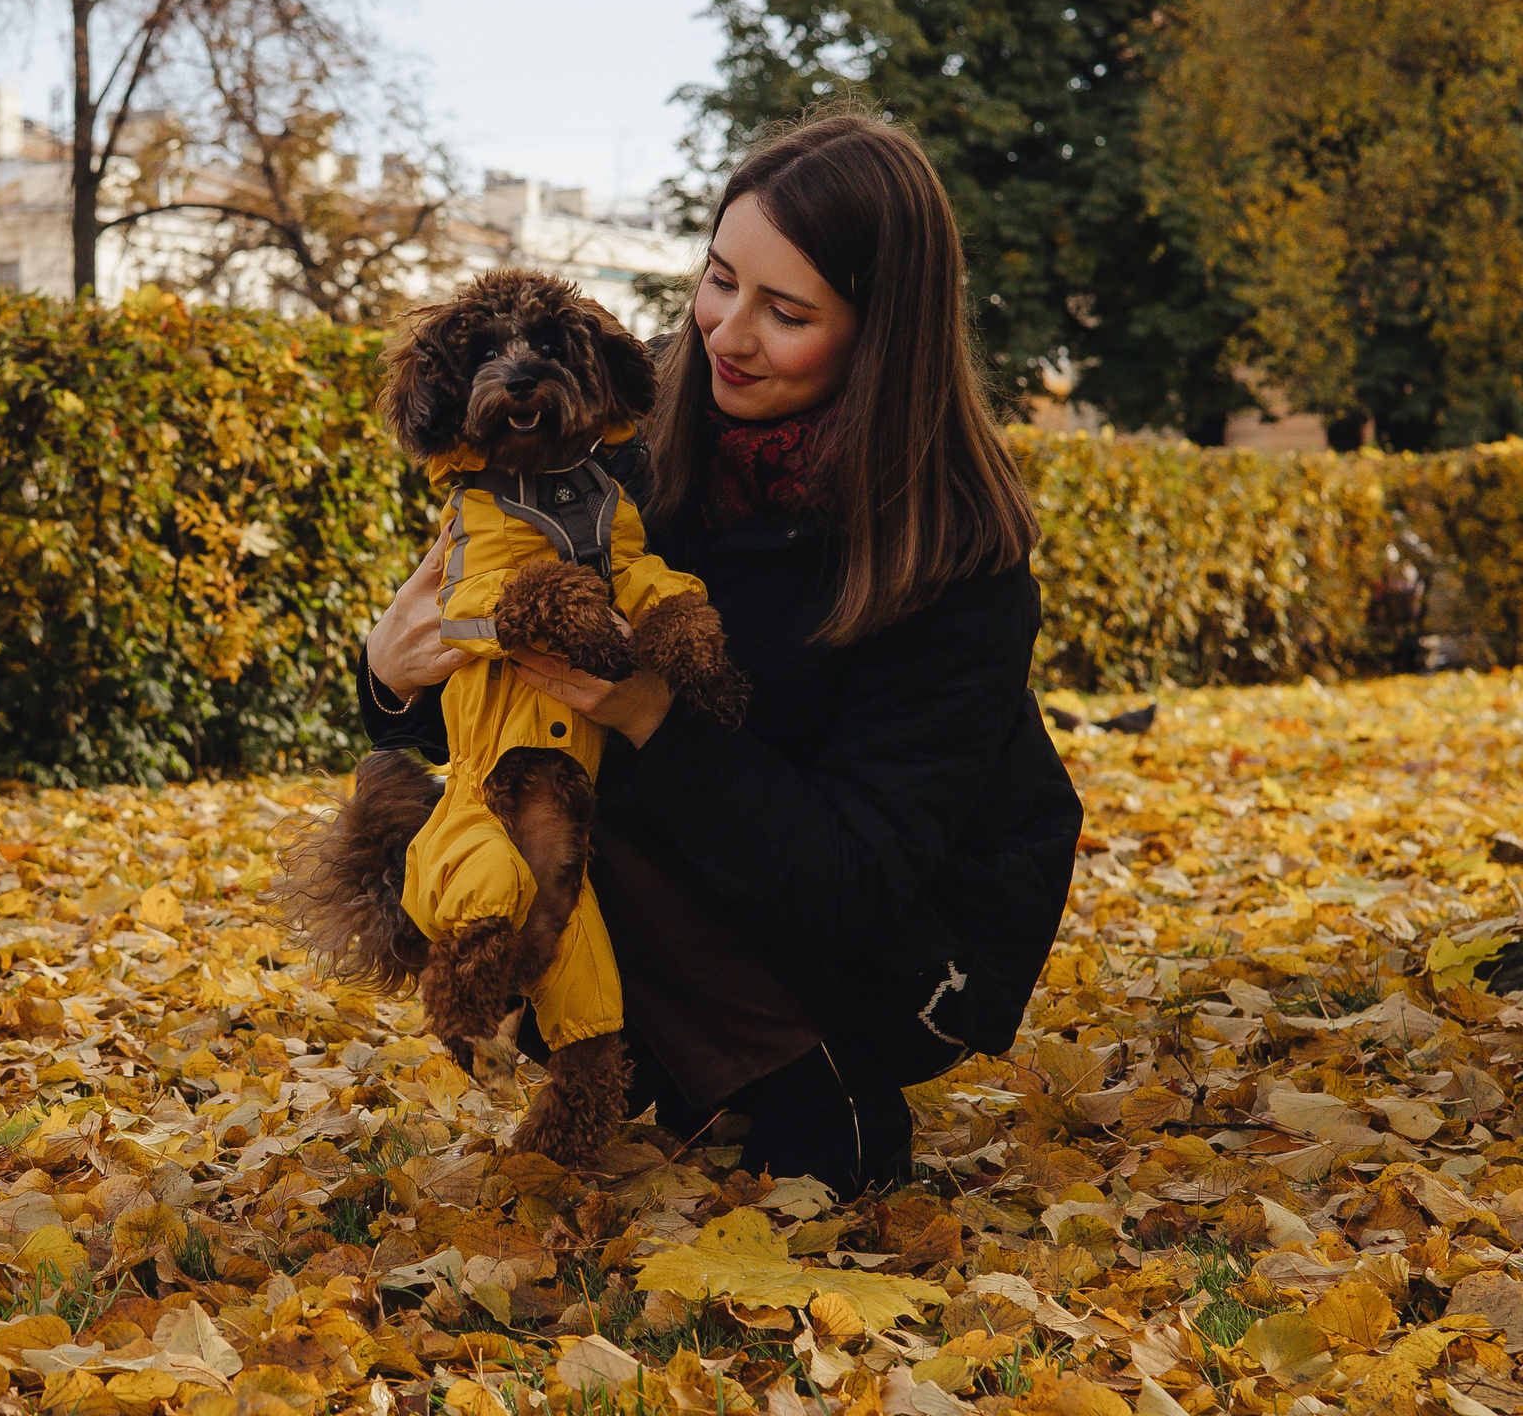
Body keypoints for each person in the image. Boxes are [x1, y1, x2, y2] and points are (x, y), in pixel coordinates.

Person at [356, 109, 1081, 1195]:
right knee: (476, 803)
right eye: (717, 279)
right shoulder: (630, 416)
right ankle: (670, 1061)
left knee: (583, 803)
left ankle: (816, 1089)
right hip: (724, 867)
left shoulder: (954, 556)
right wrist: (392, 670)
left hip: (908, 943)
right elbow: (488, 683)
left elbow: (860, 875)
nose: (726, 334)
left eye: (786, 311)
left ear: (878, 334)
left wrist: (649, 710)